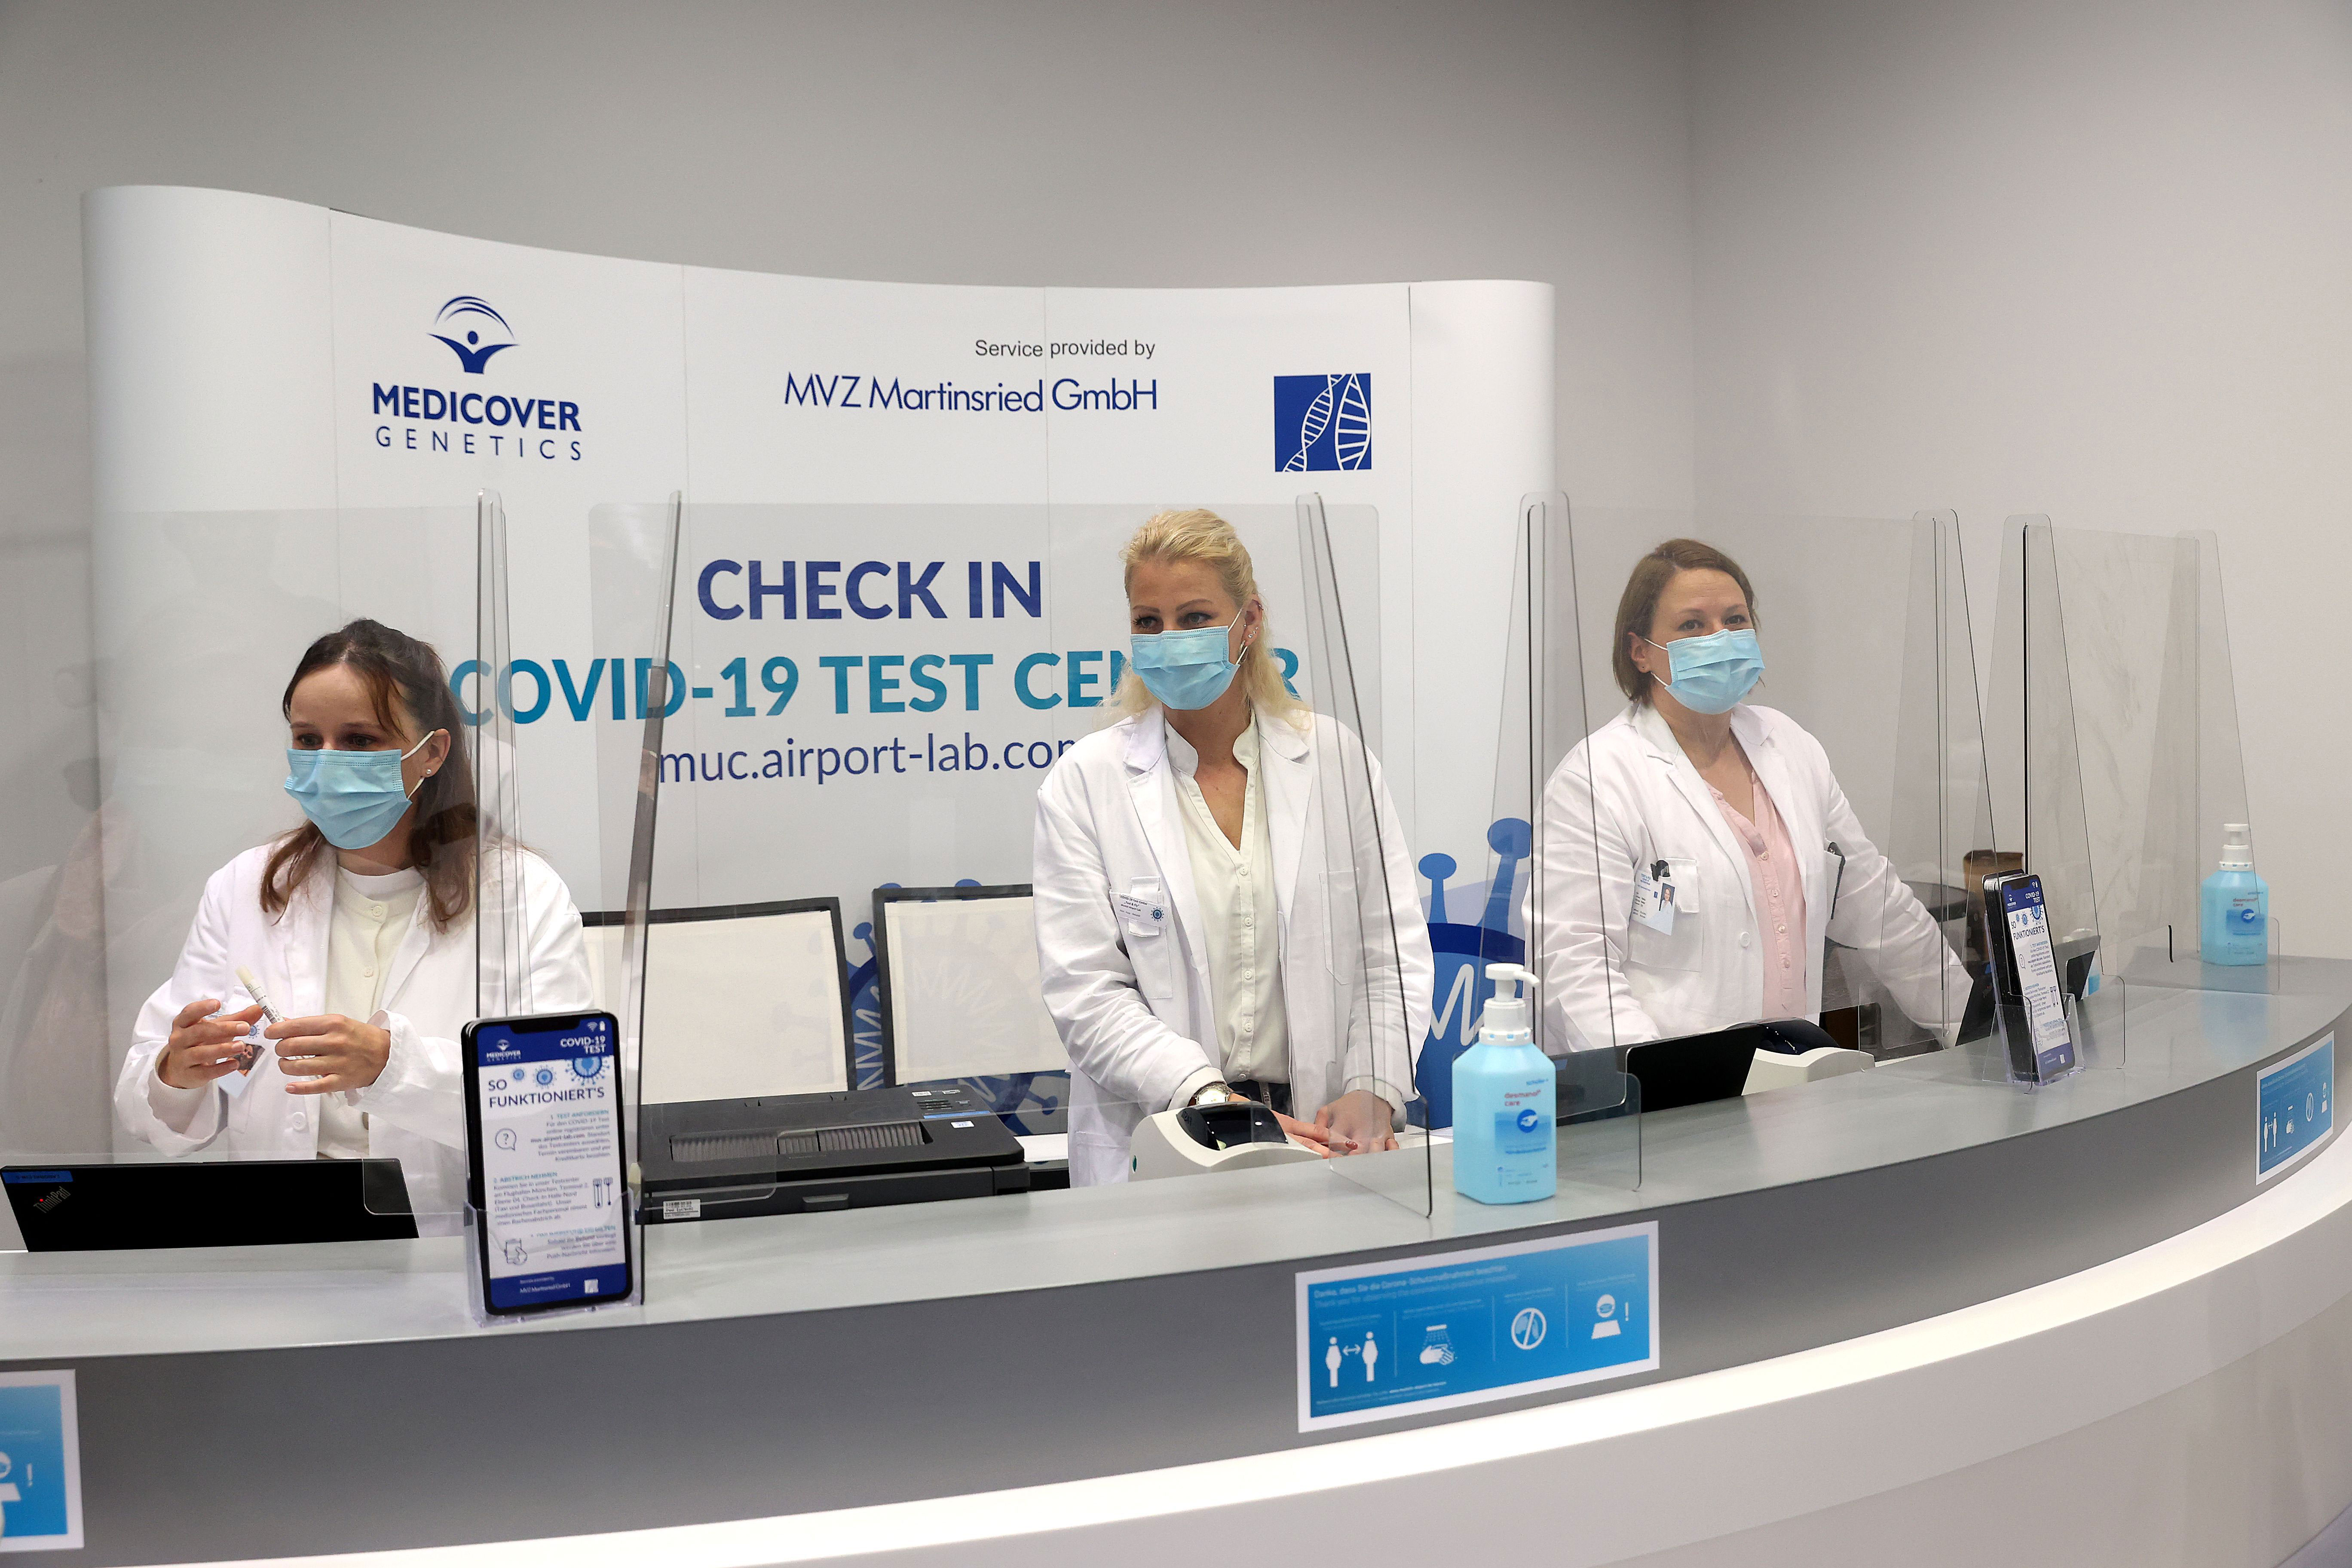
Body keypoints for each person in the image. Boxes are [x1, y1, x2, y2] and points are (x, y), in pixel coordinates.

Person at [114, 619, 592, 1230]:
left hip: (452, 1242)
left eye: (361, 741)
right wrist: (176, 1073)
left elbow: (566, 1105)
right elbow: (148, 1110)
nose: (328, 763)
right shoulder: (245, 888)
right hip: (288, 1240)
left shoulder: (520, 896)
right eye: (308, 740)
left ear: (434, 752)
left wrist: (395, 1068)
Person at [1032, 510, 1433, 1186]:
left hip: (1324, 1133)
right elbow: (1089, 995)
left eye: (1194, 617)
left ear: (1249, 621)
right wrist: (1210, 1101)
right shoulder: (1085, 783)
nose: (1170, 639)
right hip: (1169, 1135)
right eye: (1149, 622)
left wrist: (1375, 1084)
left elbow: (1389, 952)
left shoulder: (1337, 762)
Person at [1533, 539, 1969, 1053]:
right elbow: (1576, 965)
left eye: (1736, 620)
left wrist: (1973, 1025)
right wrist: (1655, 1087)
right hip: (1673, 1098)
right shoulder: (1598, 777)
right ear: (1640, 651)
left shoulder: (1790, 748)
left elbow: (1878, 907)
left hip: (1795, 1077)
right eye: (1693, 625)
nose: (1720, 638)